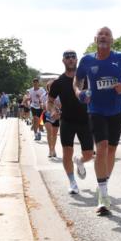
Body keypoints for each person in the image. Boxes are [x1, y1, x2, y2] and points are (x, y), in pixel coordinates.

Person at [76, 27, 121, 215]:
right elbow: (77, 81)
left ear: (112, 40)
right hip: (95, 109)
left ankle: (101, 183)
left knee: (111, 150)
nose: (103, 37)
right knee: (101, 148)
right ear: (95, 39)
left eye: (107, 35)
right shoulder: (87, 60)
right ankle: (103, 197)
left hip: (117, 110)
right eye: (100, 35)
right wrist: (79, 93)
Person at [49, 50, 95, 195]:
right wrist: (53, 110)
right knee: (67, 152)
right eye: (67, 57)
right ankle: (72, 182)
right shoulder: (58, 82)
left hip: (85, 120)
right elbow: (49, 101)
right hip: (67, 121)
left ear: (76, 60)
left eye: (73, 57)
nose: (70, 59)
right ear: (63, 61)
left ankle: (80, 161)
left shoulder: (86, 79)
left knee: (88, 155)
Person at [43, 79, 61, 159]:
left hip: (56, 116)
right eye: (50, 86)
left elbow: (62, 106)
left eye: (53, 85)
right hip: (47, 116)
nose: (52, 87)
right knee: (49, 132)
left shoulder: (60, 95)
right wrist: (44, 106)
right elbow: (42, 106)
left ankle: (53, 148)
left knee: (54, 134)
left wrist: (58, 107)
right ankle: (50, 150)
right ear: (48, 87)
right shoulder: (44, 95)